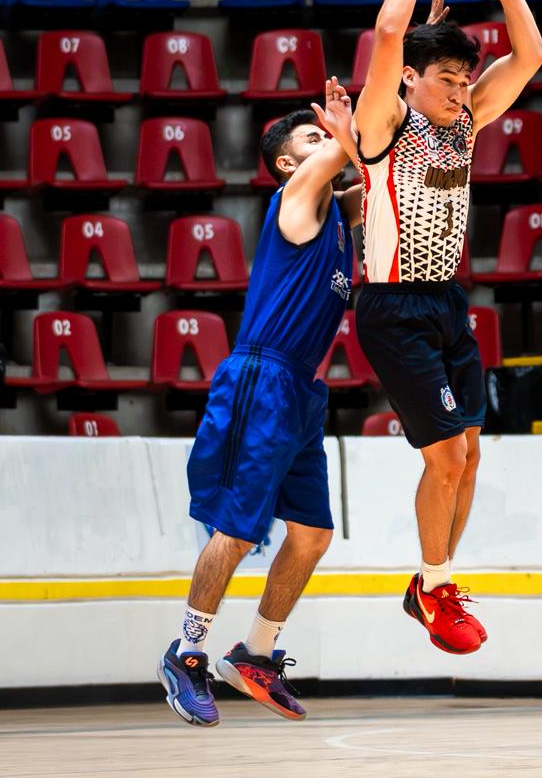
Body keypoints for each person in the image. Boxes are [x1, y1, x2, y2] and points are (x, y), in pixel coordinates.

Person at [327, 0, 542, 656]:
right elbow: (390, 33)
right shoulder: (385, 126)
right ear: (412, 82)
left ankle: (432, 584)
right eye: (445, 80)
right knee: (446, 456)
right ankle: (435, 586)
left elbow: (532, 56)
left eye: (463, 81)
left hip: (449, 302)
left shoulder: (468, 125)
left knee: (472, 454)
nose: (459, 92)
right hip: (391, 309)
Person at [158, 80, 362, 727]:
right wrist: (352, 126)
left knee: (312, 534)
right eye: (314, 135)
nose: (326, 139)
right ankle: (186, 653)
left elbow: (378, 168)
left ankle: (257, 653)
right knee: (238, 533)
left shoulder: (341, 219)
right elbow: (351, 154)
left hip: (301, 389)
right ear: (286, 162)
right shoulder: (297, 196)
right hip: (261, 377)